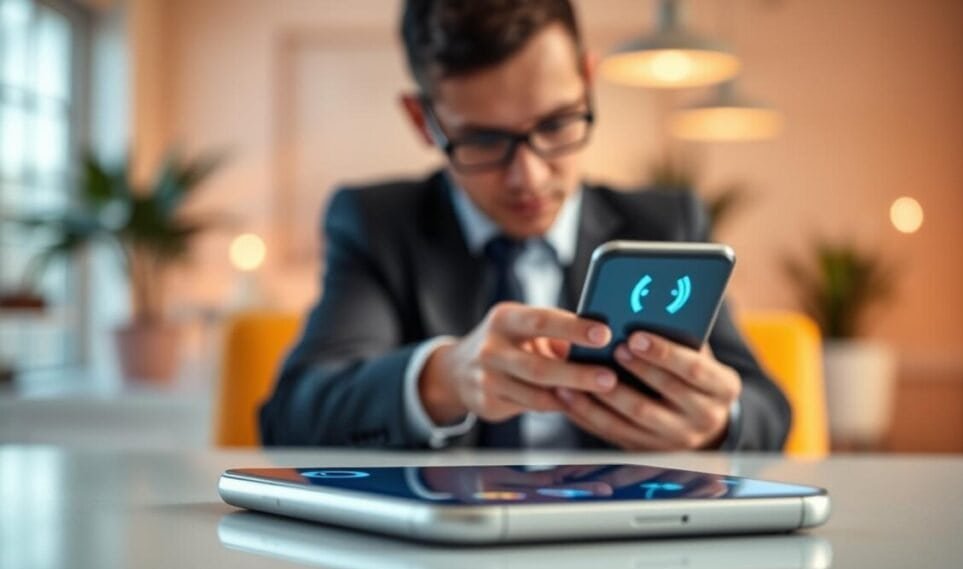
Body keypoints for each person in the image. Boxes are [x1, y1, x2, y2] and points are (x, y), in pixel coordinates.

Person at [260, 0, 790, 451]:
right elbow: (291, 416)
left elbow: (769, 412)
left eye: (557, 123)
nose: (529, 177)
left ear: (588, 80)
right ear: (424, 121)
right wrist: (440, 380)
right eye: (485, 141)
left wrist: (717, 422)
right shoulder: (378, 225)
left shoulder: (667, 222)